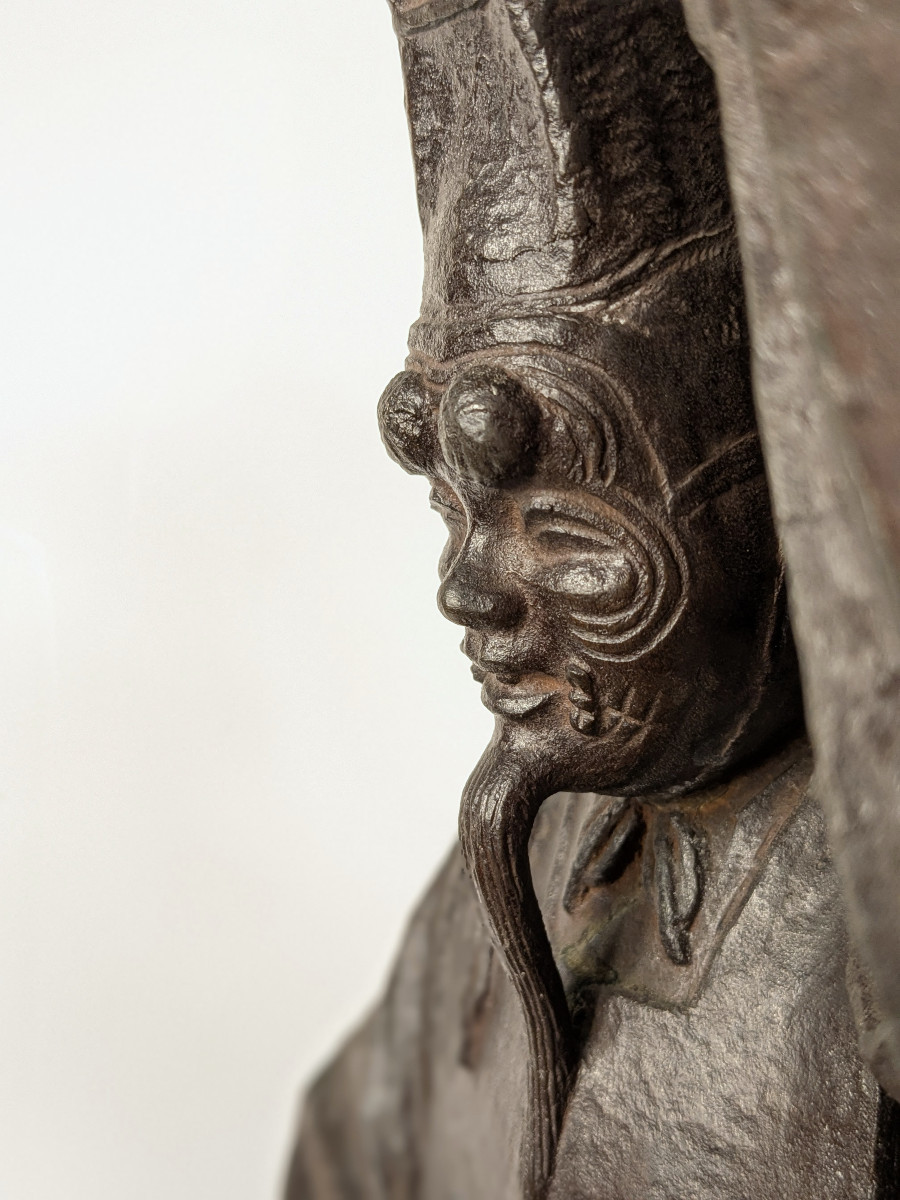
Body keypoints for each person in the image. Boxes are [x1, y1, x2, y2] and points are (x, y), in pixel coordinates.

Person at [285, 1, 900, 1195]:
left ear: (777, 481)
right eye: (455, 512)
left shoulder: (863, 902)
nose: (467, 590)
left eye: (562, 528)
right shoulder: (533, 868)